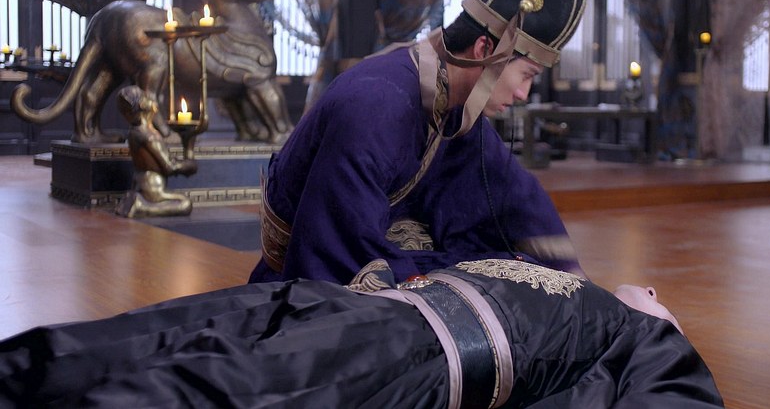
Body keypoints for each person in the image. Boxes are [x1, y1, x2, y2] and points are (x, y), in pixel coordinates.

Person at [251, 0, 588, 285]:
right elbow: (341, 239)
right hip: (307, 277)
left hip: (376, 248)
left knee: (521, 274)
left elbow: (514, 196)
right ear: (485, 50)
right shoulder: (377, 101)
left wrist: (578, 287)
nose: (524, 94)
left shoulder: (452, 103)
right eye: (527, 75)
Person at [0, 259, 723, 407]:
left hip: (412, 354)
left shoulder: (642, 337)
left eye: (664, 304)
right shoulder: (566, 281)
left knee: (214, 385)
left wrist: (658, 328)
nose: (655, 292)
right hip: (354, 304)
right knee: (144, 335)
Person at [114, 86, 197, 218]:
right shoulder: (148, 136)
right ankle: (142, 207)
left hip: (142, 184)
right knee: (185, 204)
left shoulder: (137, 132)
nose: (152, 100)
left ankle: (136, 201)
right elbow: (169, 167)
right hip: (152, 188)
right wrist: (189, 156)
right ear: (143, 104)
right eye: (147, 97)